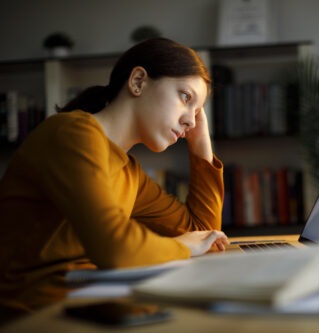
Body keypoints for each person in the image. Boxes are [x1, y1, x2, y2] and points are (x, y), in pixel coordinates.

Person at [0, 37, 228, 323]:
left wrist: (200, 145)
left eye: (197, 113)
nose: (191, 121)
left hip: (91, 305)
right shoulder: (72, 134)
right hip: (34, 316)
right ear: (138, 81)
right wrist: (184, 246)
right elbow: (115, 247)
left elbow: (205, 233)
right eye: (185, 97)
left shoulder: (128, 171)